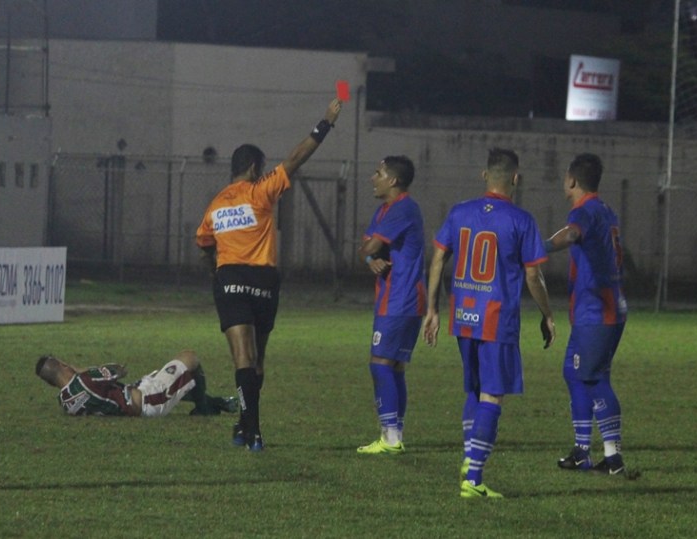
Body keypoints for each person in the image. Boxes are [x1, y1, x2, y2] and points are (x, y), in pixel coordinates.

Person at [195, 98, 343, 451]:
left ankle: (251, 429)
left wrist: (214, 272)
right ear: (254, 166)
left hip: (229, 279)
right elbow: (295, 159)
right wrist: (325, 123)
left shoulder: (216, 204)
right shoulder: (261, 193)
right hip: (263, 281)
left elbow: (203, 242)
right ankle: (248, 428)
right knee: (257, 359)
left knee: (241, 358)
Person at [423, 147, 555, 498]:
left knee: (474, 389)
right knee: (492, 395)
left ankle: (469, 457)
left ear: (485, 176)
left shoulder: (460, 212)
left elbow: (437, 258)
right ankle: (474, 477)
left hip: (463, 316)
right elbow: (533, 277)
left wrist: (432, 309)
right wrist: (548, 314)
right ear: (516, 178)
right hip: (497, 320)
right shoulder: (521, 220)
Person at [545, 153, 628, 475]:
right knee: (573, 372)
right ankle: (582, 451)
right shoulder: (605, 209)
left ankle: (614, 458)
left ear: (572, 181)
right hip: (600, 307)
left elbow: (572, 234)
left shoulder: (584, 211)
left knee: (594, 377)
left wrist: (539, 248)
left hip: (598, 310)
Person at [356, 156, 426, 455]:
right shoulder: (384, 210)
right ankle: (394, 434)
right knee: (395, 367)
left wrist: (371, 252)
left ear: (393, 181)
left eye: (378, 173)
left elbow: (370, 245)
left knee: (380, 363)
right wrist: (372, 260)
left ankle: (390, 436)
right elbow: (366, 251)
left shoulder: (403, 209)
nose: (373, 178)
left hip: (401, 298)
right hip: (397, 297)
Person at [35, 349, 237, 417]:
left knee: (174, 381)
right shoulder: (85, 379)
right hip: (149, 401)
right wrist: (78, 369)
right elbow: (119, 370)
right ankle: (204, 409)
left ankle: (218, 403)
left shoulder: (65, 401)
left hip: (135, 392)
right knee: (190, 358)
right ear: (62, 364)